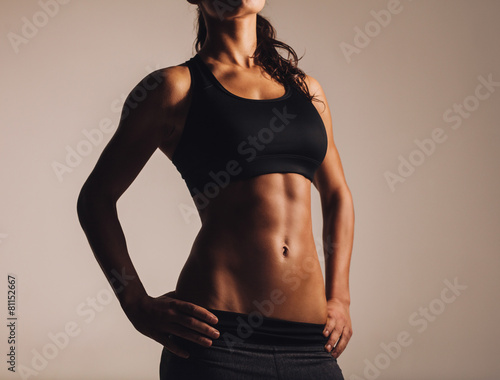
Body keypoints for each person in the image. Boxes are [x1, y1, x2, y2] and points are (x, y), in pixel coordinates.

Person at [77, 1, 354, 379]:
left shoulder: (307, 91)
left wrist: (340, 297)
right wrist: (135, 303)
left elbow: (337, 195)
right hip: (217, 345)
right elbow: (96, 198)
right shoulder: (175, 87)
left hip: (310, 346)